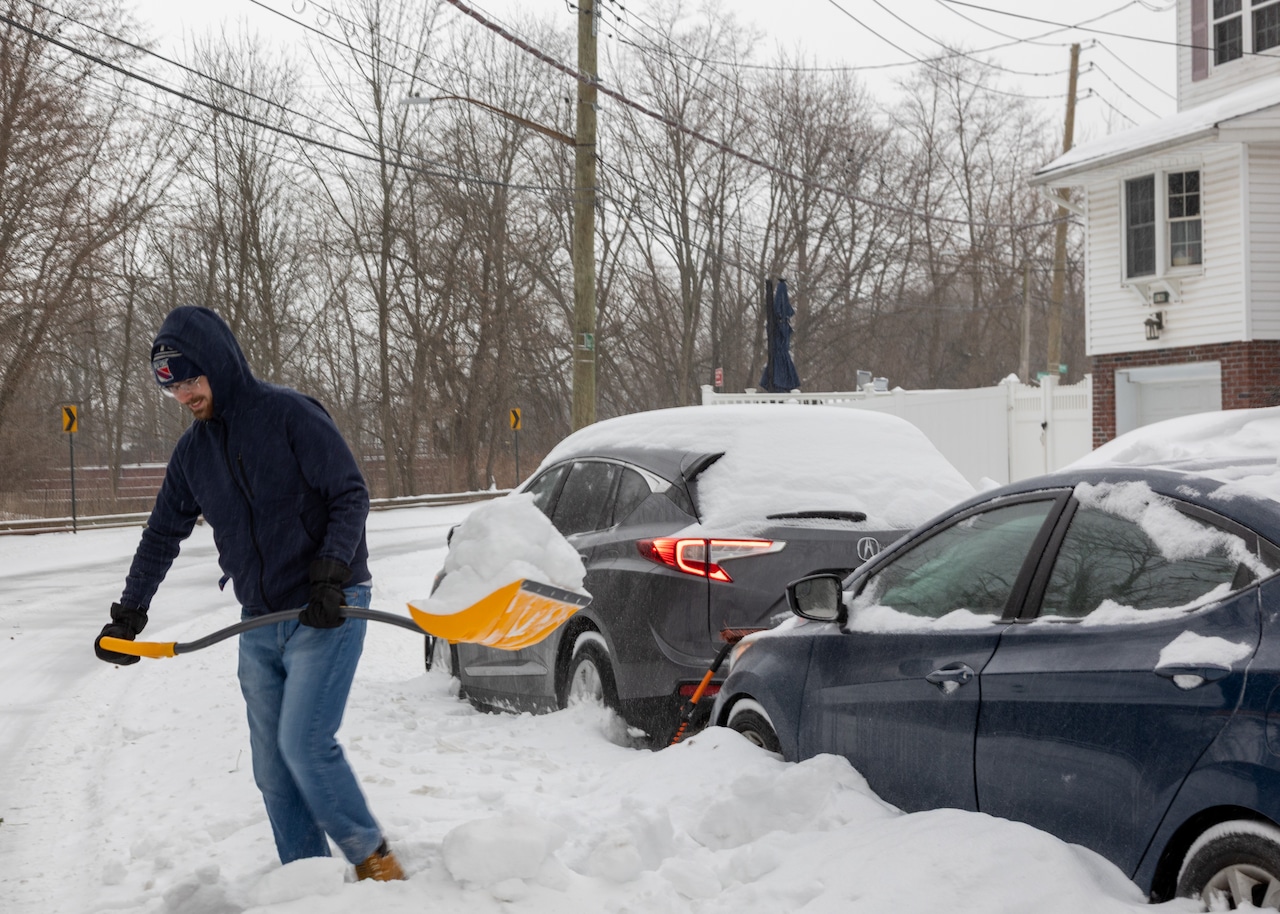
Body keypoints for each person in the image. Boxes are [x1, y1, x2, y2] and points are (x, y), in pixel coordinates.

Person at [94, 305, 404, 882]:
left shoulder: (289, 415)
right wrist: (129, 615)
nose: (184, 396)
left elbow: (349, 494)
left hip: (328, 606)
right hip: (260, 620)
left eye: (190, 380)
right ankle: (305, 878)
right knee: (271, 766)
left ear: (218, 365)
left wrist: (331, 572)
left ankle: (375, 861)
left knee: (305, 743)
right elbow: (163, 532)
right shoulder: (193, 454)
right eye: (173, 388)